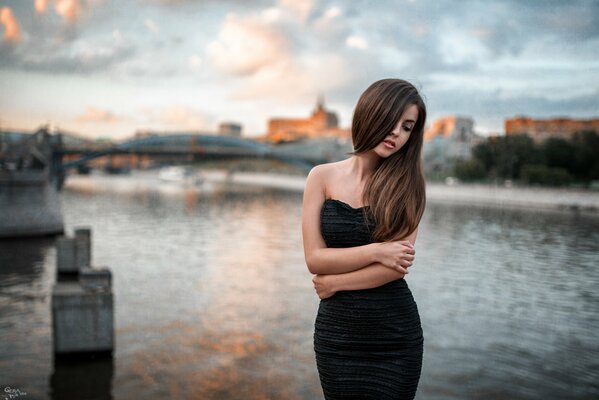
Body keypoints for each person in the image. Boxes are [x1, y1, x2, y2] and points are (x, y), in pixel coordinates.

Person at [301, 78, 427, 400]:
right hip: (337, 337)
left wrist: (337, 283)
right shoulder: (321, 177)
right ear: (370, 114)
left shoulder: (409, 186)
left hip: (394, 338)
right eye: (392, 119)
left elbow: (395, 268)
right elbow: (315, 260)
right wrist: (376, 250)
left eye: (408, 126)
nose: (397, 132)